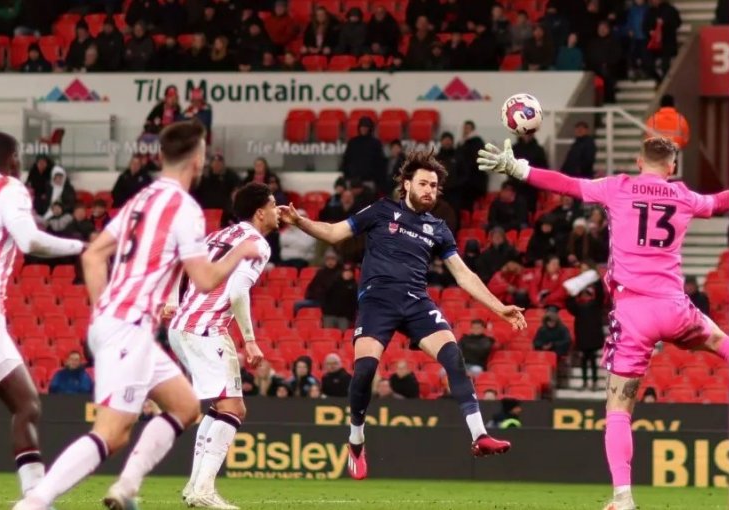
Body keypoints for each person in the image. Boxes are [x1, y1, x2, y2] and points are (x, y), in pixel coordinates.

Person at [477, 136, 729, 510]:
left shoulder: (618, 187)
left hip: (633, 312)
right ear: (672, 167)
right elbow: (718, 202)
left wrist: (516, 168)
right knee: (723, 343)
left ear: (638, 161)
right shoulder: (682, 195)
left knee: (618, 409)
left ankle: (623, 497)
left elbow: (567, 184)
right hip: (674, 306)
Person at [14, 122, 262, 510]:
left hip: (120, 323)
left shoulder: (140, 199)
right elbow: (205, 276)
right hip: (127, 327)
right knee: (111, 434)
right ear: (197, 159)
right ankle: (35, 502)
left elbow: (93, 255)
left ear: (161, 156)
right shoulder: (186, 209)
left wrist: (103, 314)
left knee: (184, 405)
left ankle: (126, 488)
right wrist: (238, 253)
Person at [278, 149, 525, 480]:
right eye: (423, 183)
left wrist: (498, 307)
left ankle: (479, 435)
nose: (429, 190)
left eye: (434, 186)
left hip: (416, 303)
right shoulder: (381, 211)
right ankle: (355, 440)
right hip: (377, 302)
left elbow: (463, 275)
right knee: (364, 372)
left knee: (454, 358)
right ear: (406, 183)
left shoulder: (438, 228)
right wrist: (300, 222)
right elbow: (336, 233)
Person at [165, 182, 276, 508]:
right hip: (205, 328)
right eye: (273, 205)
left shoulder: (220, 235)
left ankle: (194, 488)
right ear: (259, 212)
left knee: (222, 407)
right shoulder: (257, 244)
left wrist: (172, 301)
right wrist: (251, 342)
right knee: (233, 408)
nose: (277, 210)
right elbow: (238, 292)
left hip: (181, 327)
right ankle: (203, 491)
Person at [0, 132, 86, 500]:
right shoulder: (9, 187)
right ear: (12, 157)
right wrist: (83, 245)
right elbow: (30, 240)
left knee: (26, 404)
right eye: (18, 155)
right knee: (27, 404)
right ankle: (35, 499)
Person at [321, 263, 359, 332]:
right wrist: (325, 311)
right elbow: (325, 296)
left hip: (345, 318)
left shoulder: (355, 286)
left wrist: (350, 316)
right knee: (328, 335)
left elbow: (355, 303)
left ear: (352, 273)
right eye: (345, 271)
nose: (347, 273)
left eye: (349, 272)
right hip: (329, 315)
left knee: (343, 335)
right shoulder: (333, 283)